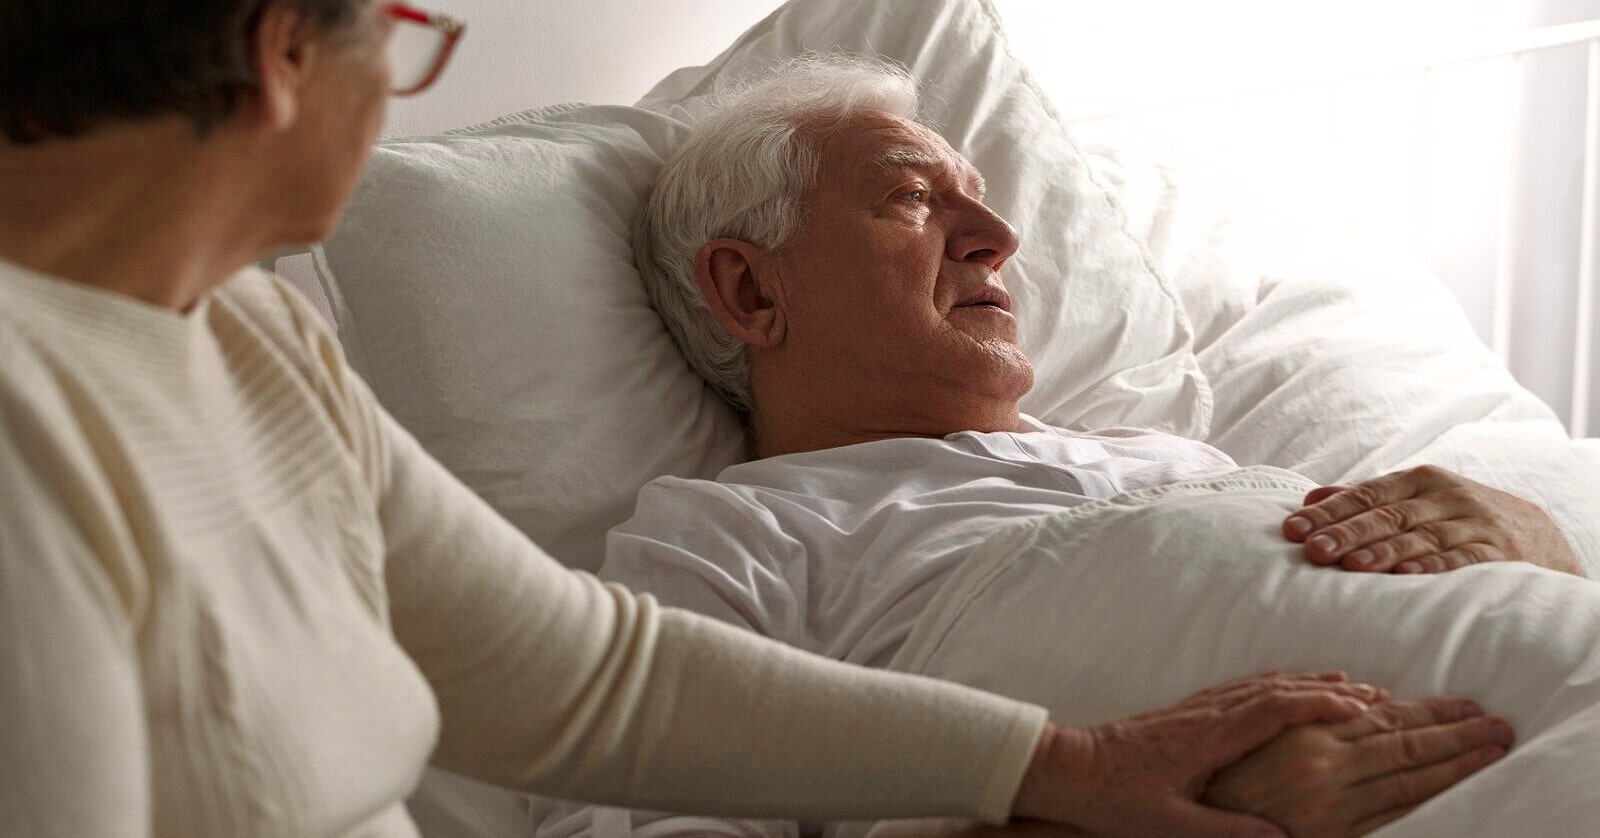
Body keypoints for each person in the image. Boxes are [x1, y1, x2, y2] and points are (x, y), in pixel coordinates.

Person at [0, 3, 1429, 838]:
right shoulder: (25, 427)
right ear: (281, 61)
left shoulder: (236, 331)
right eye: (406, 37)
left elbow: (586, 676)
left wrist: (1077, 769)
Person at [527, 54, 1590, 836]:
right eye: (908, 196)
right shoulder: (728, 537)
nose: (998, 238)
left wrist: (1534, 538)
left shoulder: (1171, 458)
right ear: (752, 289)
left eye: (978, 201)